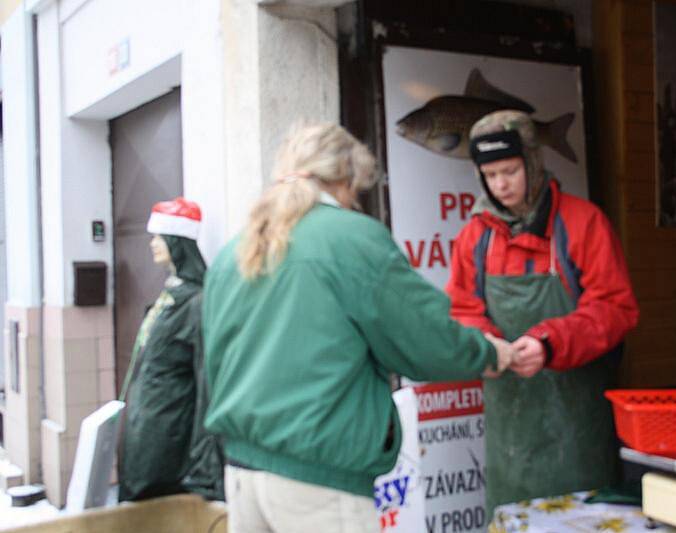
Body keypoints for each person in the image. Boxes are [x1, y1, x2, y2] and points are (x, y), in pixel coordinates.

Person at [202, 123, 516, 533]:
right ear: (346, 180)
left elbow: (214, 360)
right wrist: (491, 353)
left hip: (242, 475)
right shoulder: (351, 239)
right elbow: (424, 338)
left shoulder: (237, 248)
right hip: (319, 480)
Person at [446, 110, 640, 515]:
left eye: (511, 171)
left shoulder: (584, 223)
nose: (501, 185)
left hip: (577, 436)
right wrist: (484, 343)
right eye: (491, 175)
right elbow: (462, 309)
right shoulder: (474, 238)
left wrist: (550, 344)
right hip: (510, 438)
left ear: (533, 162)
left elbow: (615, 308)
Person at [119, 197, 224, 502]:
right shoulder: (171, 294)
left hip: (168, 435)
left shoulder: (196, 301)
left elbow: (206, 382)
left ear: (177, 242)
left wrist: (204, 462)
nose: (152, 243)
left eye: (159, 237)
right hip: (146, 426)